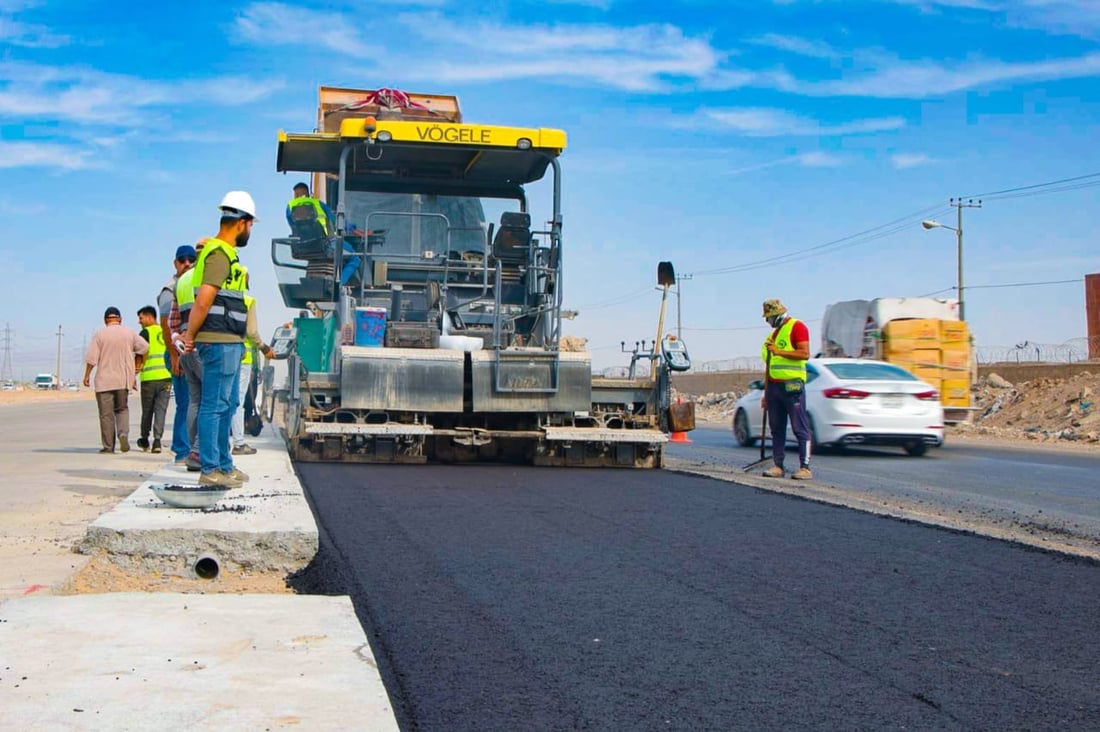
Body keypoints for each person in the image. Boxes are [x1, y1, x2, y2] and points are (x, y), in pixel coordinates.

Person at [180, 191, 257, 488]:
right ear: (242, 223)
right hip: (217, 340)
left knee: (227, 404)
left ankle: (224, 465)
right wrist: (189, 336)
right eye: (251, 226)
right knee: (213, 404)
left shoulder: (228, 256)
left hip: (231, 341)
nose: (250, 231)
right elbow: (204, 301)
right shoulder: (218, 254)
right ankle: (210, 468)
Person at [82, 307, 149, 454]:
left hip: (104, 381)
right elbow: (144, 347)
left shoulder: (100, 334)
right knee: (122, 409)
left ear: (106, 320)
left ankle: (108, 447)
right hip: (123, 380)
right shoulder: (129, 333)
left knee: (106, 415)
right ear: (120, 319)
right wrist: (137, 365)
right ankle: (123, 434)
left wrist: (87, 375)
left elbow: (92, 358)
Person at [760, 298, 813, 480]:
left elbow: (804, 353)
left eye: (768, 318)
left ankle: (805, 467)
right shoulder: (774, 335)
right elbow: (769, 366)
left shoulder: (797, 327)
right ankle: (778, 465)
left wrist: (778, 351)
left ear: (776, 315)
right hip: (774, 387)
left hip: (792, 386)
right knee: (776, 428)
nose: (767, 322)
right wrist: (766, 394)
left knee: (799, 426)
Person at [230, 275, 275, 455]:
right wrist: (264, 347)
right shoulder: (248, 301)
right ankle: (239, 442)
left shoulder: (216, 298)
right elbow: (252, 331)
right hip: (243, 360)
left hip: (221, 355)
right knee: (238, 402)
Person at [159, 244, 196, 463]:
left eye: (191, 260)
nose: (187, 264)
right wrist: (174, 355)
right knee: (185, 402)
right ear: (175, 263)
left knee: (193, 401)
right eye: (182, 261)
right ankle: (182, 450)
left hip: (188, 351)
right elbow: (166, 324)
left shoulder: (191, 283)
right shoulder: (170, 288)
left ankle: (188, 447)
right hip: (177, 352)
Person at [175, 239, 207, 471]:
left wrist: (181, 342)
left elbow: (172, 322)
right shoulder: (203, 278)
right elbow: (207, 311)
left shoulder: (182, 281)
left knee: (195, 400)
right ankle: (198, 451)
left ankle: (192, 450)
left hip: (185, 347)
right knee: (211, 401)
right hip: (201, 347)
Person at [135, 306, 172, 453]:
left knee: (147, 410)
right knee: (161, 410)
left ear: (150, 317)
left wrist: (135, 371)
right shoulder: (166, 330)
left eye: (141, 318)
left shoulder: (145, 332)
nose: (139, 321)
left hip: (149, 378)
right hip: (166, 377)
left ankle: (144, 439)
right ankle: (157, 441)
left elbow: (139, 353)